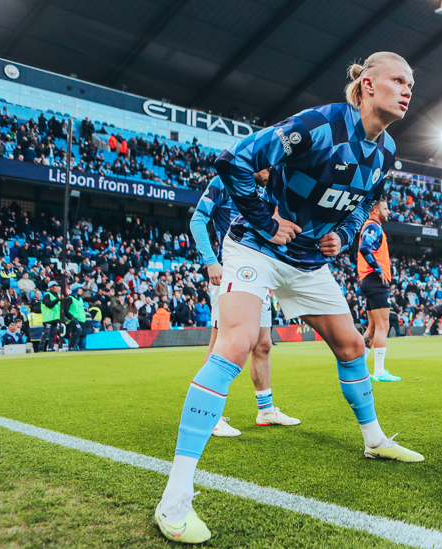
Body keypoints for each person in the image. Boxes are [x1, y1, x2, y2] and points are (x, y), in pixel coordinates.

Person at [154, 51, 422, 544]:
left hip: (308, 262)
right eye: (399, 80)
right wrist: (265, 220)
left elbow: (361, 201)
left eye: (411, 84)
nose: (409, 90)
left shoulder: (386, 151)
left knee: (352, 347)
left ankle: (374, 441)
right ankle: (174, 498)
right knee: (234, 344)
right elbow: (235, 161)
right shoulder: (318, 124)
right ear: (367, 85)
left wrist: (340, 235)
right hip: (254, 247)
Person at [189, 169, 296, 437]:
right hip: (232, 273)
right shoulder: (225, 181)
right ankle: (207, 415)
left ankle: (266, 410)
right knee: (220, 346)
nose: (272, 173)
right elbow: (198, 220)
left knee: (263, 345)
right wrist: (211, 261)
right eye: (268, 167)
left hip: (259, 276)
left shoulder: (265, 192)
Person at [357, 199, 400, 381]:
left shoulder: (371, 226)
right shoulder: (374, 226)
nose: (388, 211)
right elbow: (365, 247)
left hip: (368, 280)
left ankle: (358, 368)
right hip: (375, 281)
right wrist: (379, 269)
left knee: (373, 327)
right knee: (383, 326)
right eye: (385, 208)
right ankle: (380, 371)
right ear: (375, 211)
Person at [39, 281, 62, 352]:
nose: (55, 287)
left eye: (55, 286)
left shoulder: (57, 296)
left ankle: (50, 348)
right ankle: (41, 348)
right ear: (49, 288)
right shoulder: (47, 295)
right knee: (45, 334)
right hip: (48, 318)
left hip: (55, 318)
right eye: (53, 286)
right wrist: (58, 299)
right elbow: (49, 304)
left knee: (53, 335)